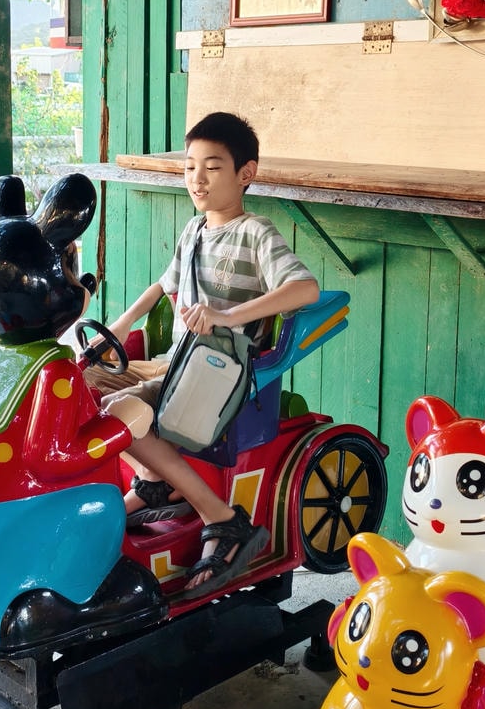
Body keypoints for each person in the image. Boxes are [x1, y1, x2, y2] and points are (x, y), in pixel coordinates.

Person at [91, 111, 319, 595]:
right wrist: (120, 325)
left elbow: (305, 288)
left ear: (245, 174)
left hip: (220, 373)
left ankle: (223, 518)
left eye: (212, 167)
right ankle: (154, 481)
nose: (197, 178)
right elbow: (163, 285)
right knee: (87, 389)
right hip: (177, 364)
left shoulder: (256, 232)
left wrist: (227, 316)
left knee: (118, 413)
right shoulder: (194, 230)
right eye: (190, 166)